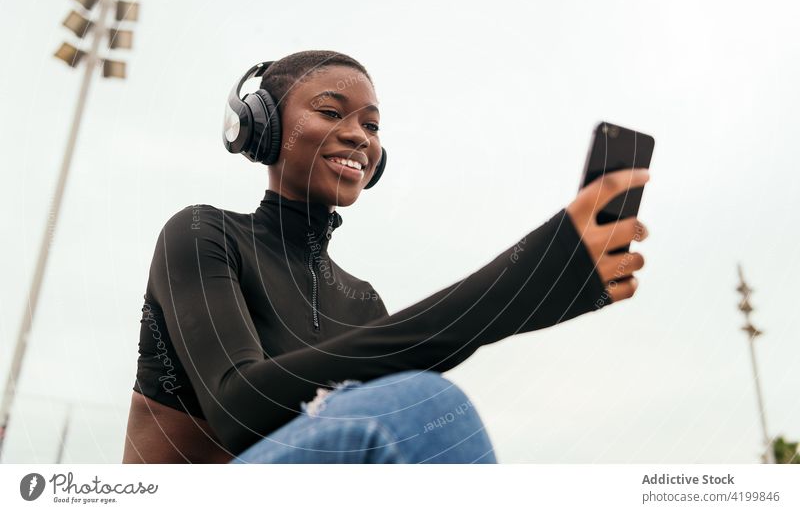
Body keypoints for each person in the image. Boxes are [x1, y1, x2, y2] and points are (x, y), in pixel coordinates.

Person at [122, 50, 650, 464]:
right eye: (330, 112)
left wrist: (546, 294)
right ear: (262, 127)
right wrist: (520, 280)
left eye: (371, 126)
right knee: (422, 404)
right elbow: (241, 409)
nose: (358, 134)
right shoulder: (201, 235)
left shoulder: (360, 301)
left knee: (422, 410)